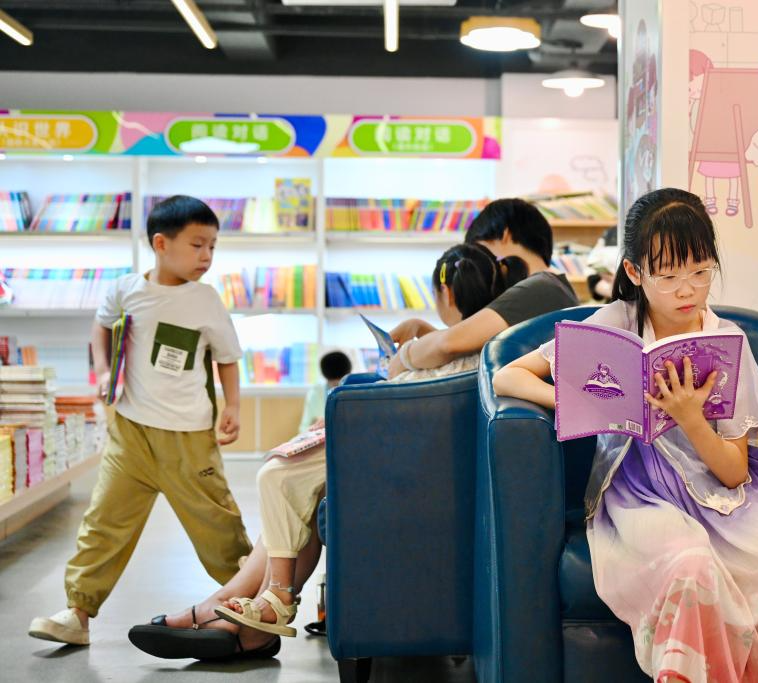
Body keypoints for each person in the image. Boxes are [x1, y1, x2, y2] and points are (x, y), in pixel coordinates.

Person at [492, 188, 758, 682]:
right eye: (669, 276)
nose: (687, 291)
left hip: (727, 497)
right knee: (692, 567)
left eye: (700, 272)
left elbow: (734, 473)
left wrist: (691, 419)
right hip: (641, 497)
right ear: (635, 272)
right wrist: (591, 403)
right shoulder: (613, 325)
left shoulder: (725, 342)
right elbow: (509, 376)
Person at [128, 243, 530, 660]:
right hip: (413, 461)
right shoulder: (489, 351)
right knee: (300, 501)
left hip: (388, 457)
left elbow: (418, 376)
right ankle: (243, 618)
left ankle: (258, 604)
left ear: (445, 293)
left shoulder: (443, 351)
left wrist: (386, 374)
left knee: (281, 477)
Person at [29, 195, 252, 646]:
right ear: (160, 244)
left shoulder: (206, 300)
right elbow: (101, 324)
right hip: (129, 433)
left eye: (213, 246)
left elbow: (227, 357)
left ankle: (253, 606)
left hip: (188, 440)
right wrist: (102, 369)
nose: (207, 256)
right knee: (104, 522)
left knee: (218, 528)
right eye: (197, 245)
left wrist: (233, 406)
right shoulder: (126, 289)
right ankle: (78, 613)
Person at [386, 198, 578, 378]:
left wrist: (404, 357)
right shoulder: (551, 286)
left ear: (504, 235)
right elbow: (468, 349)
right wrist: (420, 327)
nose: (479, 262)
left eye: (479, 250)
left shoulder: (539, 288)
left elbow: (450, 344)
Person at [690, 49, 741, 217]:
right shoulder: (718, 101)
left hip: (714, 148)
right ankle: (727, 201)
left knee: (713, 175)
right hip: (729, 148)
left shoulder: (704, 104)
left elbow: (695, 128)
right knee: (726, 176)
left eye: (695, 86)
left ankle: (717, 200)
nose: (693, 91)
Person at [298, 351, 352, 432]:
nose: (336, 387)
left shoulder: (356, 391)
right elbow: (305, 428)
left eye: (340, 383)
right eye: (334, 384)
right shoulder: (316, 393)